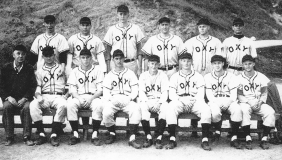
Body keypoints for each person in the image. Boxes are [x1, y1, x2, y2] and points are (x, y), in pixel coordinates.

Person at [166, 52, 212, 150]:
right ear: (180, 62)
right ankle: (172, 138)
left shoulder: (198, 76)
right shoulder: (175, 76)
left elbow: (201, 93)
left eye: (188, 61)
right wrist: (181, 100)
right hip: (180, 100)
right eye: (183, 61)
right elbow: (172, 93)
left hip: (194, 100)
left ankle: (205, 139)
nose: (186, 63)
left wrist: (192, 100)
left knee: (206, 109)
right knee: (171, 108)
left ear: (192, 62)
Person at [102, 49, 142, 149]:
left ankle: (132, 137)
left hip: (127, 99)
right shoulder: (109, 75)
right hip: (114, 99)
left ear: (124, 59)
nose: (119, 61)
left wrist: (130, 98)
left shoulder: (130, 73)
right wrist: (111, 99)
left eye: (120, 58)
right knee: (106, 112)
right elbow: (106, 92)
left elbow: (135, 89)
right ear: (113, 60)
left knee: (136, 109)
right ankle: (112, 133)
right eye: (116, 59)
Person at [29, 46, 67, 147]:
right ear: (43, 57)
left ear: (54, 55)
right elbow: (38, 87)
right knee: (33, 105)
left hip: (58, 96)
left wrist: (66, 96)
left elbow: (69, 85)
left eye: (50, 55)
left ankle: (54, 134)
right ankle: (41, 134)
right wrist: (38, 96)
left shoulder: (61, 68)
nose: (49, 58)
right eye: (46, 56)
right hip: (44, 95)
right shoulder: (39, 71)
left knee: (64, 105)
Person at [0, 45, 37, 146]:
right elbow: (1, 86)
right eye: (18, 54)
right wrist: (8, 97)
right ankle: (9, 136)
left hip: (24, 98)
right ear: (13, 55)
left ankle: (27, 136)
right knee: (7, 106)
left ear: (25, 56)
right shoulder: (6, 68)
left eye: (23, 54)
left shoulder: (29, 68)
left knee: (27, 108)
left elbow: (33, 86)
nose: (20, 56)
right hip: (10, 98)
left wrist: (25, 98)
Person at [67, 48, 104, 146]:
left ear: (91, 58)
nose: (85, 60)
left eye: (87, 57)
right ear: (79, 59)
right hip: (79, 96)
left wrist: (91, 98)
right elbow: (72, 90)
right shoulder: (75, 71)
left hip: (93, 96)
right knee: (70, 104)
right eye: (83, 57)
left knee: (99, 105)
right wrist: (79, 98)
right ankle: (75, 134)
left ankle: (95, 134)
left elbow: (100, 90)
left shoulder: (98, 70)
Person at [237, 55, 276, 150]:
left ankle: (264, 138)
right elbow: (239, 94)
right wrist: (249, 103)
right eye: (245, 64)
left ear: (253, 64)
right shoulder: (238, 77)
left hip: (259, 102)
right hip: (245, 102)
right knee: (244, 111)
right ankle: (248, 137)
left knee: (270, 112)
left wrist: (261, 102)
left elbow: (264, 92)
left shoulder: (261, 76)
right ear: (243, 65)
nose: (248, 66)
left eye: (250, 63)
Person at [204, 55, 242, 149]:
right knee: (215, 112)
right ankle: (217, 131)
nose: (217, 65)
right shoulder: (208, 76)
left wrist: (228, 102)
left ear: (223, 64)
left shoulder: (231, 76)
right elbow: (209, 94)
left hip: (228, 100)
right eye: (215, 63)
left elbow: (234, 94)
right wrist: (216, 103)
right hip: (215, 100)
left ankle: (234, 137)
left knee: (237, 110)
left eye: (219, 63)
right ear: (212, 65)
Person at [103, 4, 145, 75]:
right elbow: (107, 51)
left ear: (128, 15)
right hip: (115, 64)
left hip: (131, 64)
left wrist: (140, 69)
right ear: (117, 15)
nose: (122, 16)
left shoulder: (135, 28)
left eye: (125, 14)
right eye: (120, 14)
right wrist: (108, 68)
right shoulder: (112, 30)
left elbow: (139, 50)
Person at [138, 55, 169, 149]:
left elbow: (165, 92)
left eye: (156, 64)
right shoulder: (143, 76)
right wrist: (147, 102)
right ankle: (148, 136)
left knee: (165, 108)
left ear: (159, 64)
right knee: (143, 107)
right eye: (152, 64)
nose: (154, 66)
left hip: (160, 100)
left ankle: (159, 137)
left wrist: (159, 103)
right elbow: (142, 92)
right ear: (148, 64)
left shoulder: (163, 75)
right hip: (147, 100)